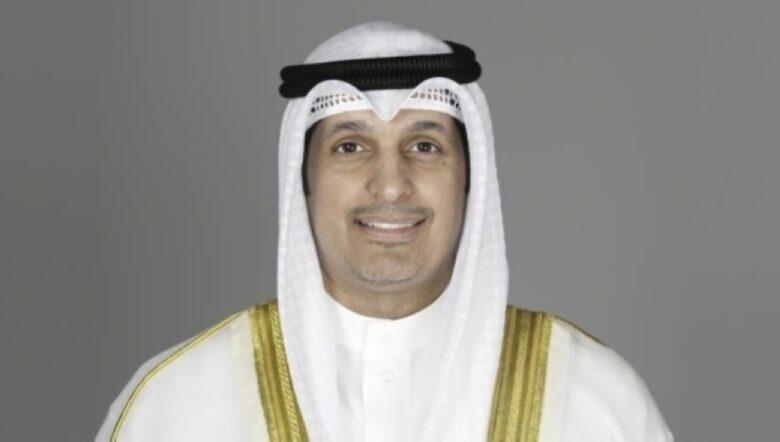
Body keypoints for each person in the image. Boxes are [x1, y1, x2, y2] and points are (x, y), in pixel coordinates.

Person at [96, 21, 674, 442]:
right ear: (303, 178)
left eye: (425, 145)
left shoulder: (595, 398)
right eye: (350, 147)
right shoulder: (177, 403)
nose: (391, 185)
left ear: (470, 179)